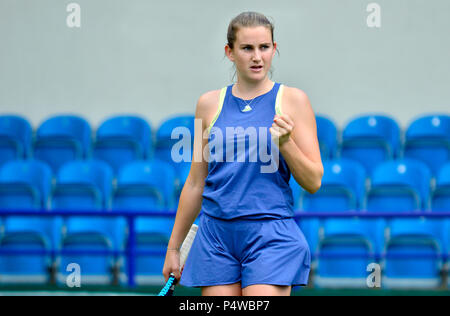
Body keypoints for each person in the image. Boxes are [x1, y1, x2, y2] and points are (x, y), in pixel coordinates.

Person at [162, 11, 323, 296]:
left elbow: (313, 181)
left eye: (264, 47)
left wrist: (286, 143)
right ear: (230, 52)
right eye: (247, 48)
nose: (257, 57)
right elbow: (196, 183)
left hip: (269, 235)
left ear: (274, 49)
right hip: (216, 237)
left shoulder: (294, 100)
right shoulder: (208, 104)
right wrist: (173, 247)